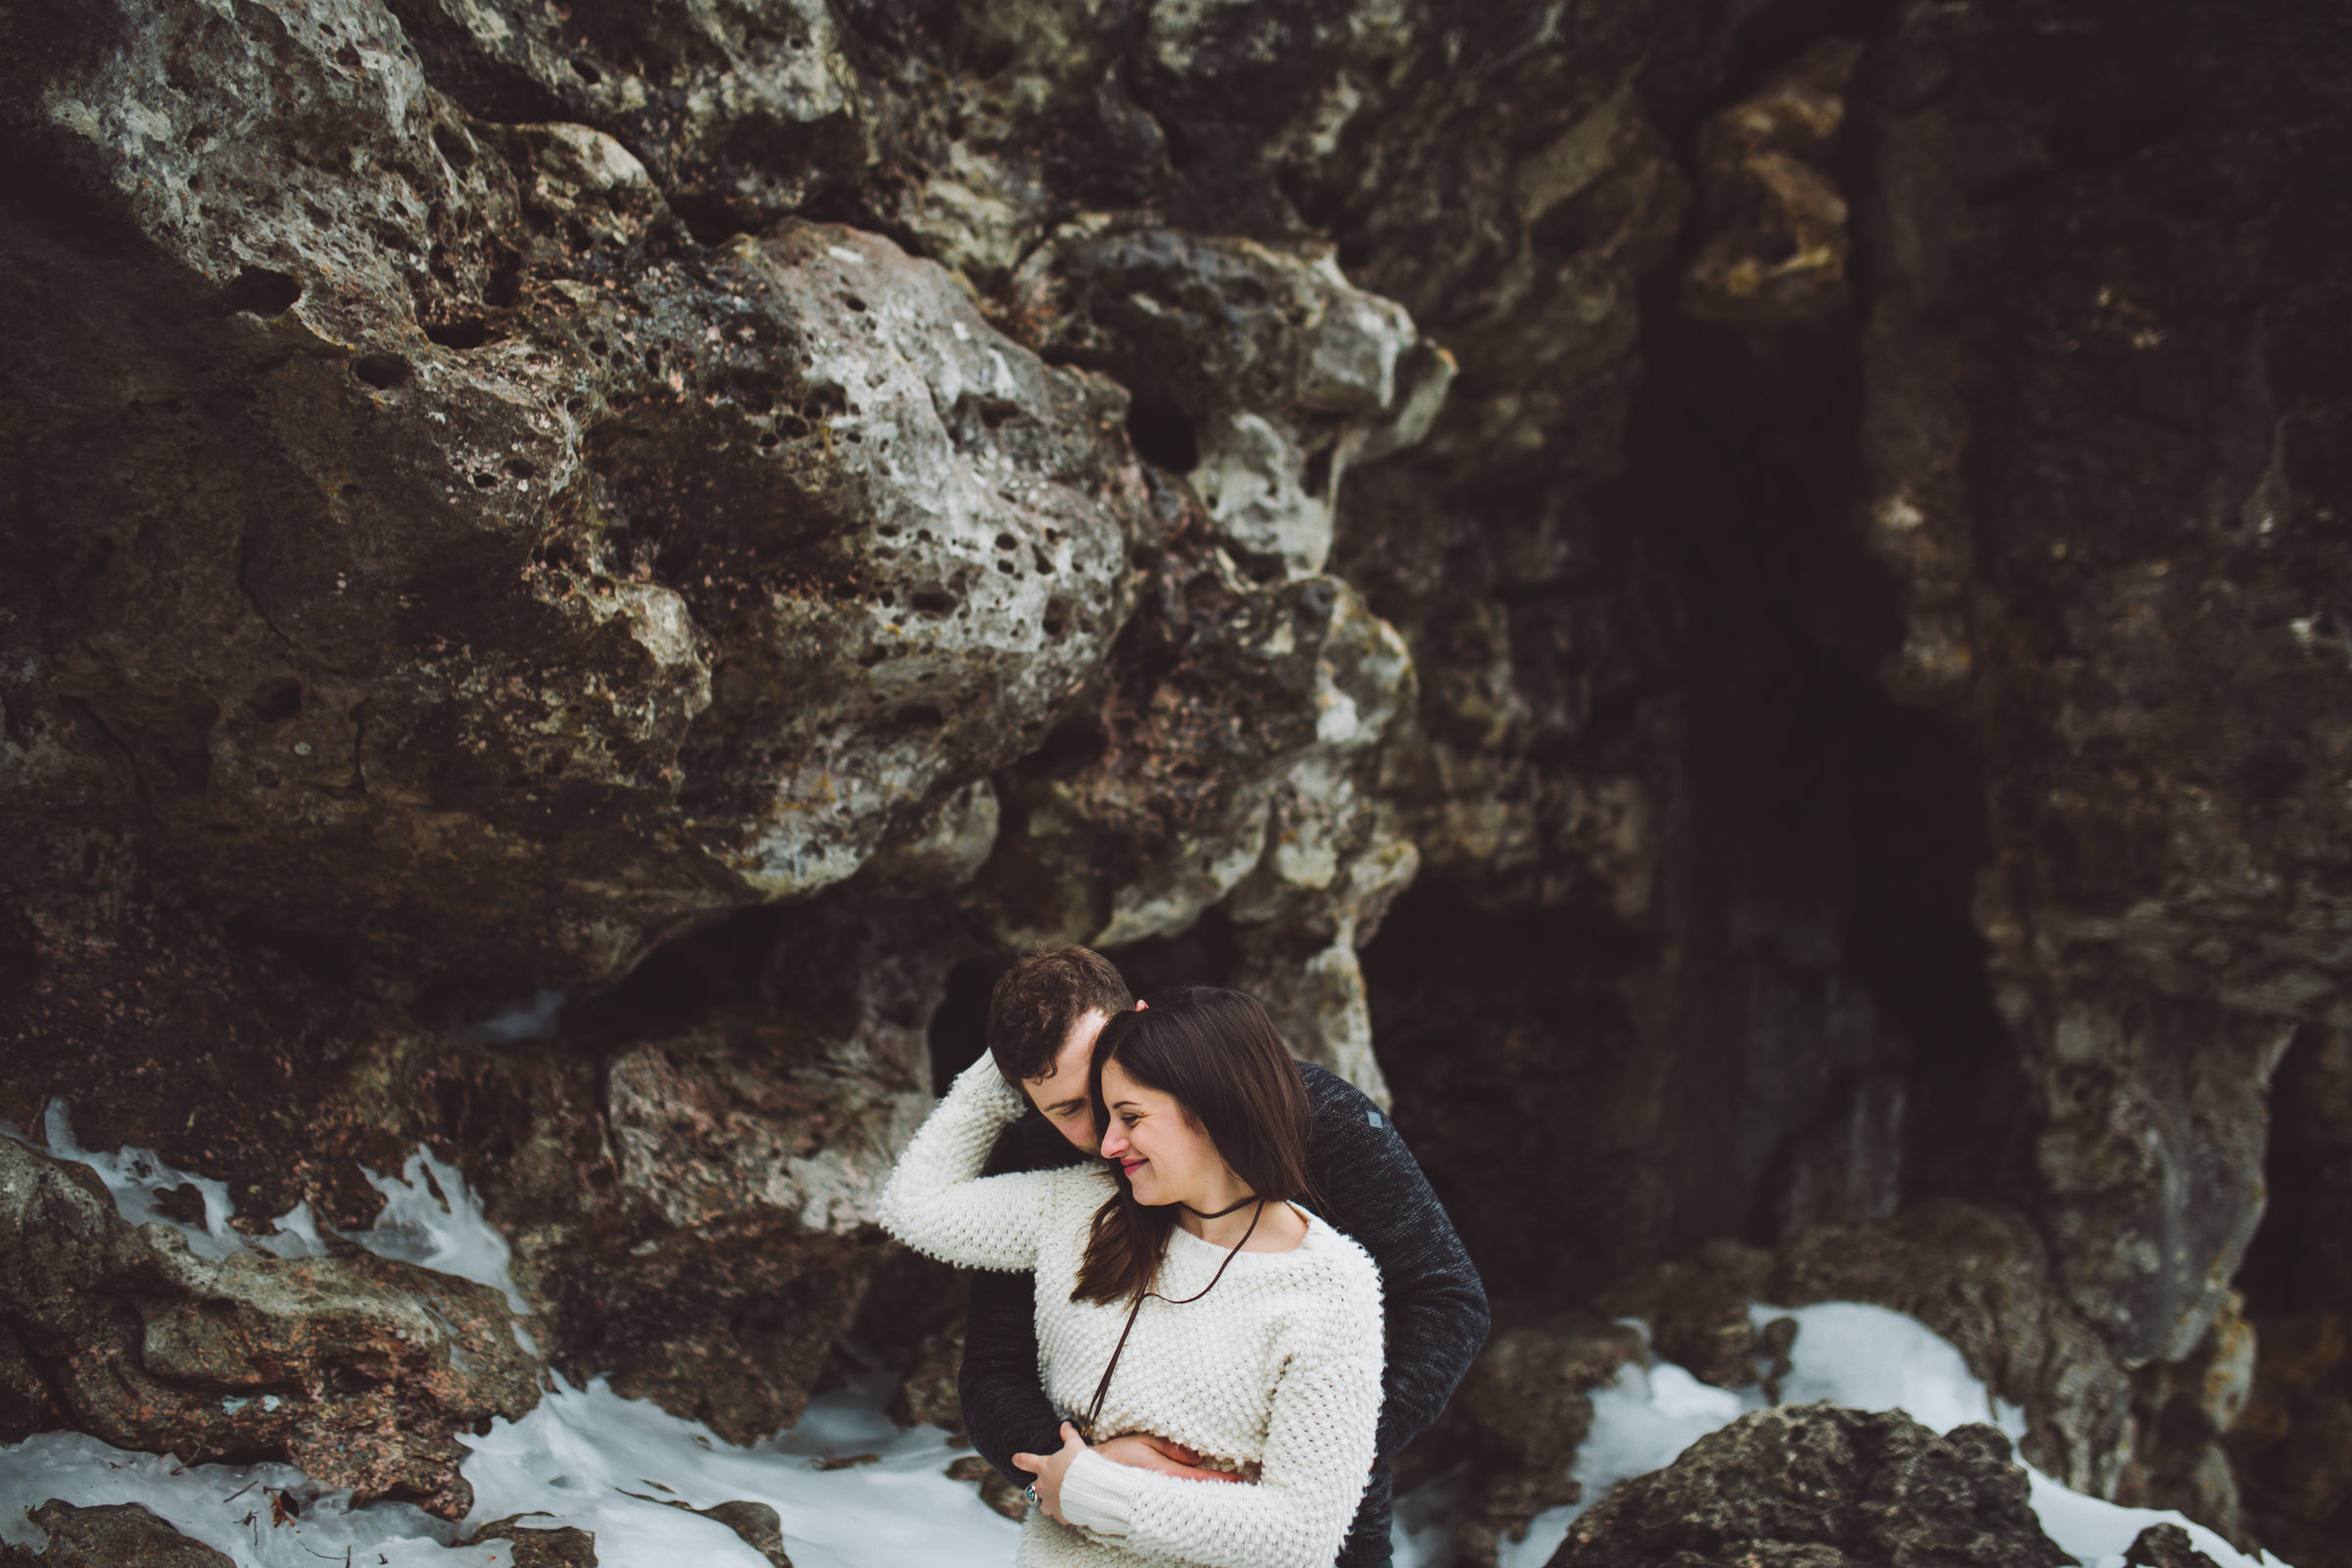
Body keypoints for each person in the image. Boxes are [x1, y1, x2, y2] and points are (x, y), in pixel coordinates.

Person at [956, 947, 1489, 1567]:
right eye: (1068, 1110)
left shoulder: (1317, 1116)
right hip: (1098, 1534)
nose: (1103, 1131)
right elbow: (993, 1366)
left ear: (1144, 1022)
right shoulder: (1035, 1159)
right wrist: (1077, 1474)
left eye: (1106, 1074)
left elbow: (1447, 1297)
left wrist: (1320, 1458)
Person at [879, 986, 1384, 1567]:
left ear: (1209, 1107)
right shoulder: (1080, 1209)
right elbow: (912, 1207)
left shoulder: (1332, 1286)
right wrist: (1013, 1057)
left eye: (1130, 1117)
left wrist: (1091, 1488)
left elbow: (1299, 1538)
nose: (1107, 1142)